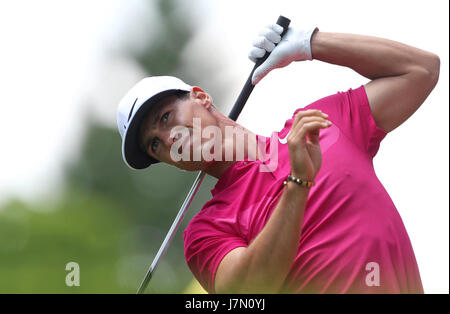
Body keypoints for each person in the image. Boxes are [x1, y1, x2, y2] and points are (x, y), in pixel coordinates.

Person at [116, 24, 440, 293]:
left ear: (200, 97)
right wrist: (297, 184)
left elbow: (421, 70)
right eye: (155, 146)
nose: (168, 138)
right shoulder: (206, 231)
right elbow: (250, 291)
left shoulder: (322, 123)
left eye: (165, 118)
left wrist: (309, 44)